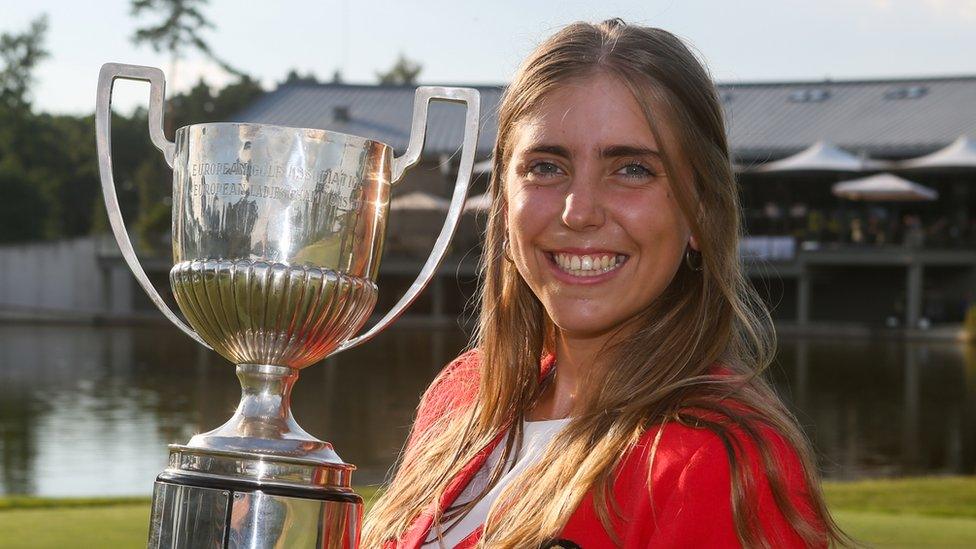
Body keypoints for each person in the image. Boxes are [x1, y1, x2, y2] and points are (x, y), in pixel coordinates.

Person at [363, 20, 850, 548]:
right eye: (546, 166)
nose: (579, 211)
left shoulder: (713, 463)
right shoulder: (461, 399)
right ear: (504, 204)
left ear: (701, 213)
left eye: (633, 169)